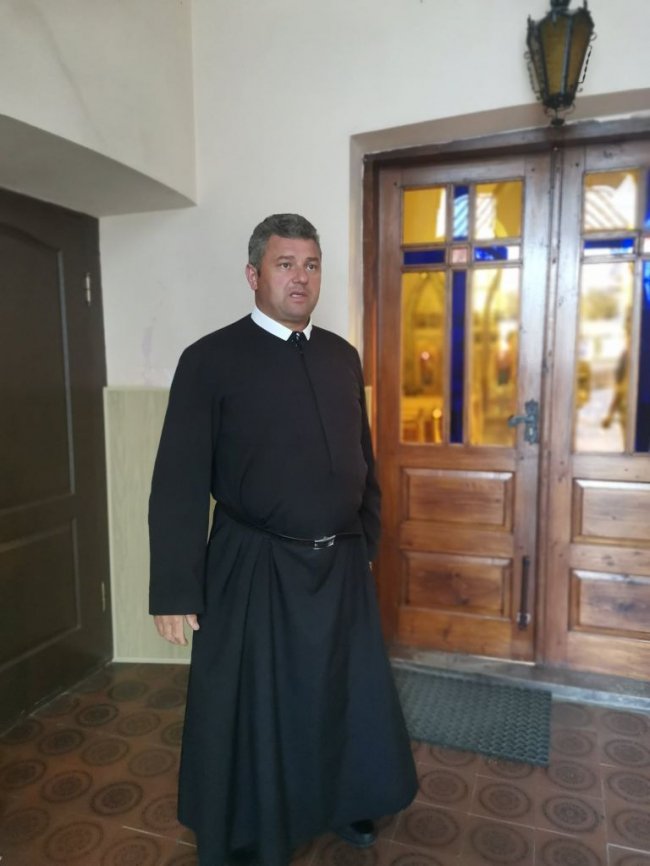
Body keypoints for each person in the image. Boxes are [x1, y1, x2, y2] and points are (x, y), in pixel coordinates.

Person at [149, 213, 417, 866]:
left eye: (311, 264)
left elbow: (362, 457)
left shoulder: (341, 356)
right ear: (254, 274)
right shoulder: (209, 360)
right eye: (285, 264)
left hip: (340, 561)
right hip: (255, 564)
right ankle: (248, 830)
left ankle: (346, 800)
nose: (301, 278)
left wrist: (367, 538)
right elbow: (179, 479)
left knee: (343, 692)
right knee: (254, 707)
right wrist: (175, 589)